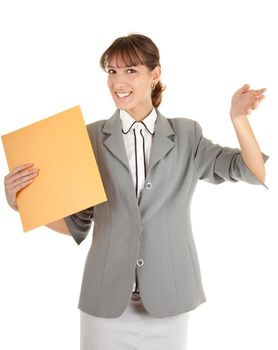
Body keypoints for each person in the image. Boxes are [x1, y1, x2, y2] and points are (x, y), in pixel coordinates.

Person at [4, 33, 269, 350]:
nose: (118, 81)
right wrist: (22, 203)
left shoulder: (186, 134)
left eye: (130, 70)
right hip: (105, 303)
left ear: (154, 75)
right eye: (112, 72)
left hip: (168, 300)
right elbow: (76, 224)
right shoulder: (89, 138)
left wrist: (238, 118)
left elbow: (253, 172)